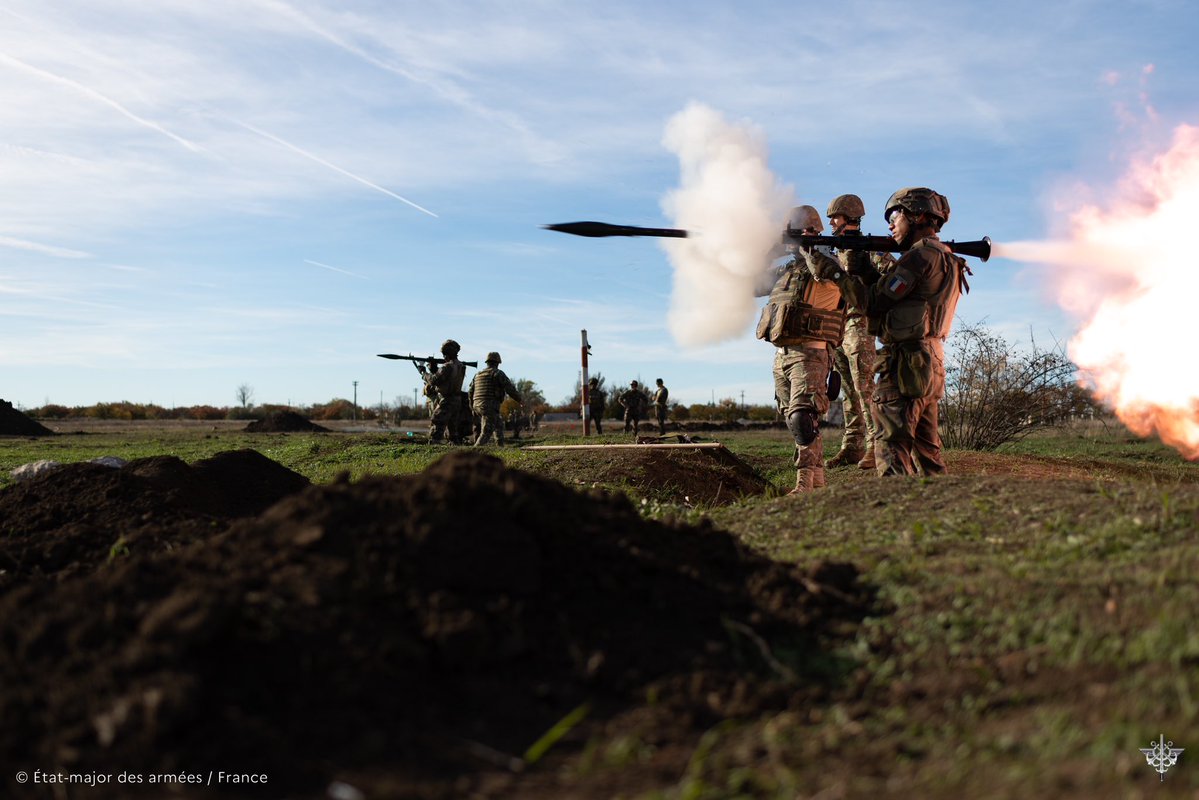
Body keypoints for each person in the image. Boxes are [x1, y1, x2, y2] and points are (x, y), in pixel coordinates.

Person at [830, 187, 969, 476]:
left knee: (892, 450)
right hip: (930, 362)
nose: (891, 225)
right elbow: (896, 295)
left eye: (895, 216)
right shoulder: (945, 257)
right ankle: (941, 514)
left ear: (918, 216)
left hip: (906, 364)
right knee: (928, 454)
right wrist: (864, 269)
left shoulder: (918, 258)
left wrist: (833, 272)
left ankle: (897, 514)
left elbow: (873, 302)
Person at [756, 205, 846, 494]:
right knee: (796, 420)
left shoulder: (827, 262)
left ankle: (804, 483)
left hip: (811, 353)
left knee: (802, 417)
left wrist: (809, 246)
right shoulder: (787, 270)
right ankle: (817, 480)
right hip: (782, 356)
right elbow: (752, 284)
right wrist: (769, 252)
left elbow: (825, 273)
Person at [805, 195, 896, 471]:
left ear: (850, 217)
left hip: (860, 326)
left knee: (864, 387)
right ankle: (853, 445)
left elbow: (892, 276)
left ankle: (875, 446)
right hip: (839, 328)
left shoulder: (870, 250)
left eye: (836, 217)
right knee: (847, 390)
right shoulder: (834, 250)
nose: (831, 222)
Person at [469, 351, 522, 446]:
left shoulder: (478, 374)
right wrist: (519, 400)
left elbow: (470, 391)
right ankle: (475, 450)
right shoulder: (497, 373)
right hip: (489, 406)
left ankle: (500, 446)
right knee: (486, 431)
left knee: (498, 424)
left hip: (476, 405)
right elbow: (509, 388)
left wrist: (471, 406)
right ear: (497, 363)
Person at [420, 339, 467, 444]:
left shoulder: (447, 366)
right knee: (453, 429)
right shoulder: (461, 366)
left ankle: (433, 446)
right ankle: (456, 448)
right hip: (457, 400)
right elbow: (447, 379)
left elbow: (433, 381)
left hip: (447, 400)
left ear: (446, 353)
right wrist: (434, 369)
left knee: (437, 423)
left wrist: (423, 372)